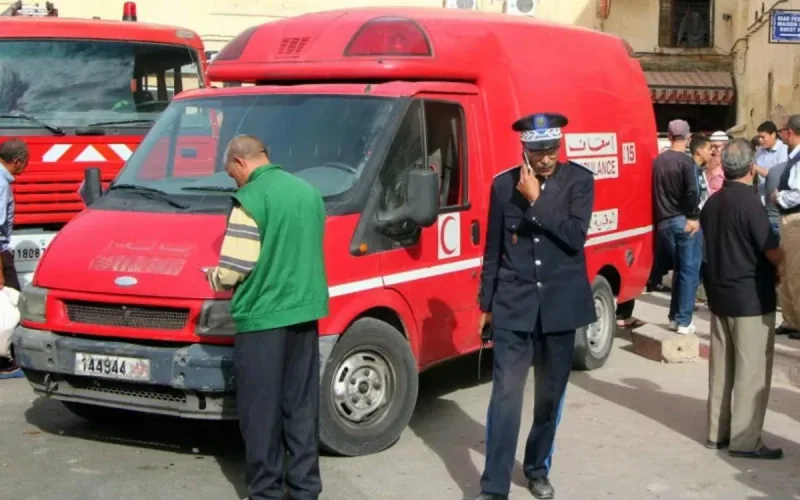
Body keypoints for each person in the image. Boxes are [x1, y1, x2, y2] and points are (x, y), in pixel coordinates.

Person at [476, 113, 596, 500]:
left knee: (549, 396)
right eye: (538, 151)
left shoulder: (579, 181)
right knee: (506, 396)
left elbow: (575, 237)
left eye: (552, 150)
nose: (545, 159)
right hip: (514, 306)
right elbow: (493, 250)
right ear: (524, 149)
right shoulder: (501, 185)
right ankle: (494, 487)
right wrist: (486, 304)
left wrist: (537, 200)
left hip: (561, 308)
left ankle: (537, 468)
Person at [204, 135, 329, 500]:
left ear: (240, 163)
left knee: (261, 413)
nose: (234, 181)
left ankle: (266, 492)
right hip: (305, 314)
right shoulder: (308, 192)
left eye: (231, 174)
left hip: (263, 319)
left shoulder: (251, 200)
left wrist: (213, 276)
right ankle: (305, 489)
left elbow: (235, 268)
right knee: (301, 406)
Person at [701, 138, 783, 459]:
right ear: (752, 169)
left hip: (720, 295)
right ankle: (746, 440)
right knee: (751, 372)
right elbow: (770, 249)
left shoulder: (712, 203)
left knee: (721, 370)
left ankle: (716, 433)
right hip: (749, 298)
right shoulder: (750, 204)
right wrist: (785, 259)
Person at [652, 119, 702, 335]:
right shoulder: (686, 162)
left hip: (664, 222)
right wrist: (693, 216)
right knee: (689, 272)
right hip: (683, 220)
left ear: (670, 136)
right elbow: (692, 191)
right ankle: (683, 320)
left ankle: (675, 317)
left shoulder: (658, 161)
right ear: (688, 137)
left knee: (679, 271)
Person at [770, 115, 800, 341]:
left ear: (789, 132)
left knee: (796, 272)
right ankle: (791, 320)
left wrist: (779, 196)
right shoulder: (793, 157)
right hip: (788, 219)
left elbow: (798, 193)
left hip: (795, 219)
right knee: (787, 271)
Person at [0, 138, 28, 378]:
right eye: (25, 163)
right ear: (17, 161)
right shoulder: (1, 183)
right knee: (12, 305)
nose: (25, 168)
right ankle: (6, 362)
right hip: (1, 255)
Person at [754, 121, 789, 204]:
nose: (760, 140)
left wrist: (755, 167)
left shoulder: (783, 150)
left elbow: (777, 176)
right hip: (760, 197)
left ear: (773, 135)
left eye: (763, 137)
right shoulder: (759, 151)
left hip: (776, 198)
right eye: (759, 137)